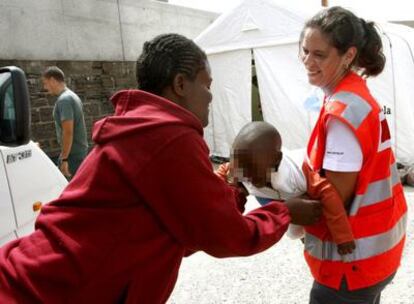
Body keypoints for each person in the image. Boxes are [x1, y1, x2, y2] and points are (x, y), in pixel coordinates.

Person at [0, 34, 322, 303]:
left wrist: (232, 191)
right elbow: (229, 236)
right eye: (207, 85)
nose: (210, 97)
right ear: (180, 84)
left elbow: (187, 228)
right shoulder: (169, 136)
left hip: (35, 278)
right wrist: (285, 212)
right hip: (45, 293)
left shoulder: (138, 128)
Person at [299, 6, 408, 304]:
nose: (308, 61)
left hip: (350, 266)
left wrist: (277, 192)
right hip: (376, 253)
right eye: (305, 50)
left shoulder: (342, 113)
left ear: (348, 55)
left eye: (319, 55)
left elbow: (333, 199)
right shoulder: (356, 97)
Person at [216, 121, 355, 255]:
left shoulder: (299, 172)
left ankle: (305, 237)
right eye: (241, 169)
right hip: (269, 197)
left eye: (253, 171)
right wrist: (223, 183)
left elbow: (328, 193)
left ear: (276, 160)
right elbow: (224, 172)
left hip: (296, 195)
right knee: (292, 231)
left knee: (301, 227)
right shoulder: (240, 168)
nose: (246, 176)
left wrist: (343, 236)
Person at [42, 66, 88, 178]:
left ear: (53, 80)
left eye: (45, 83)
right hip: (78, 152)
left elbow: (68, 131)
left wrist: (64, 158)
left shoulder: (64, 100)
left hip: (72, 156)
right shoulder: (72, 95)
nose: (45, 87)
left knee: (69, 190)